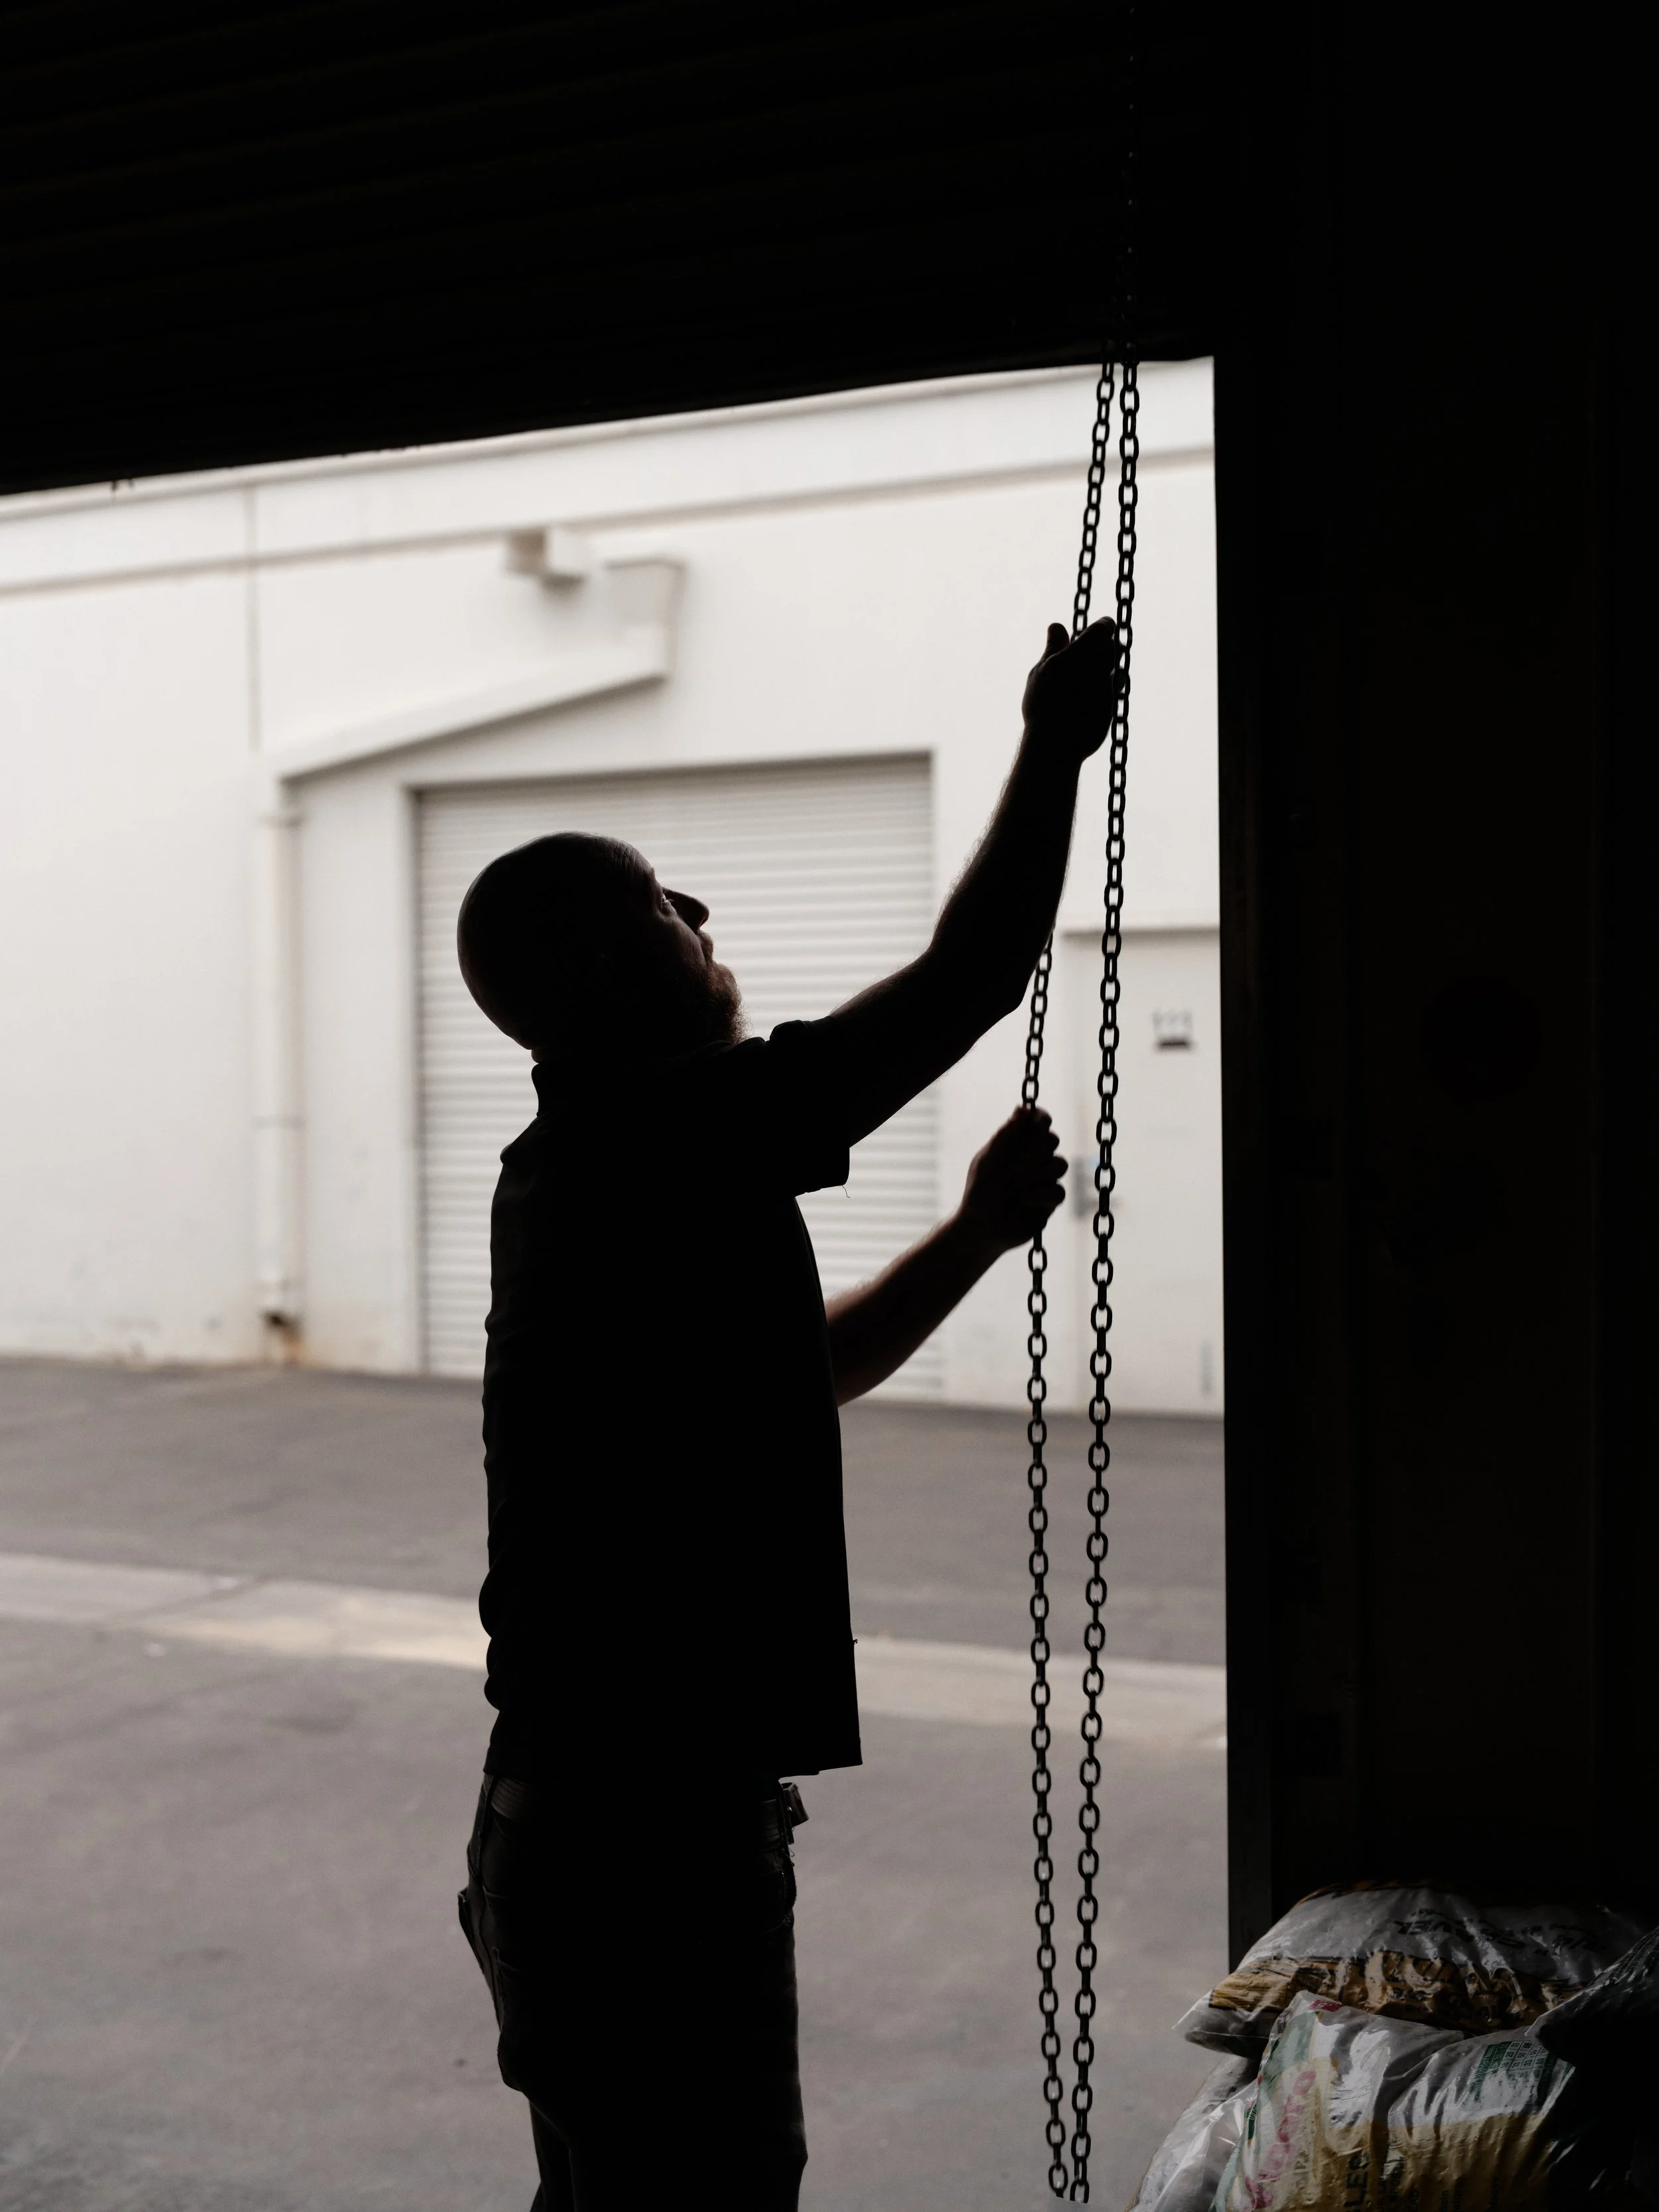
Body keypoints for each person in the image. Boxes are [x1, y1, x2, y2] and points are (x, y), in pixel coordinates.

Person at [455, 617, 1121, 2211]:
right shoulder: (652, 1138)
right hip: (641, 1857)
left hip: (604, 1839)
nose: (698, 912)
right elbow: (966, 981)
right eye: (656, 903)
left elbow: (795, 1368)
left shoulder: (598, 1173)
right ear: (602, 977)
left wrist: (965, 1238)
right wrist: (1051, 741)